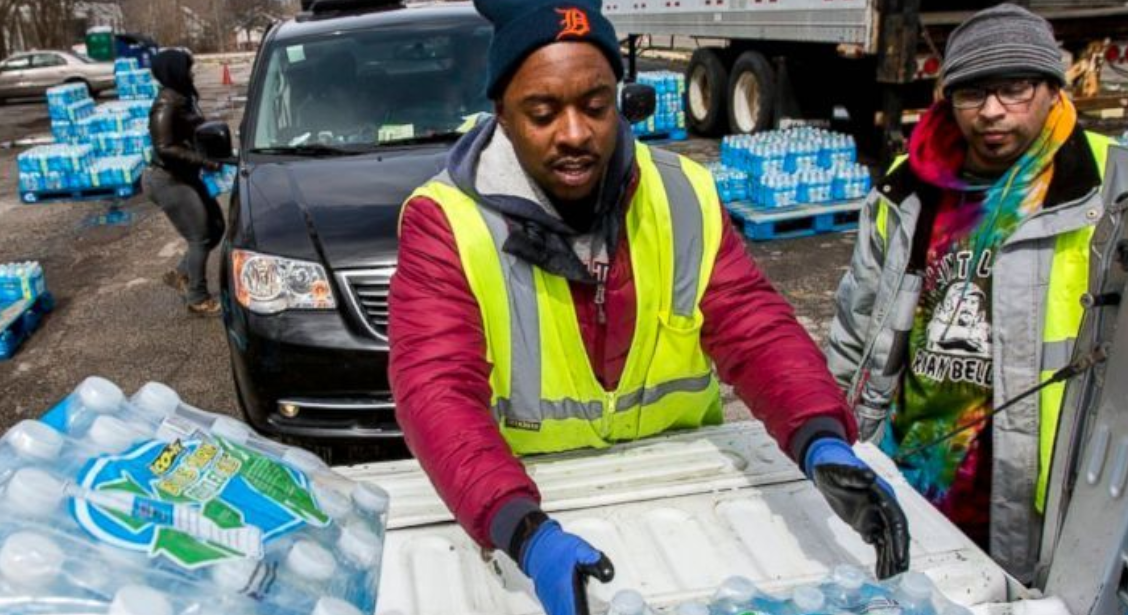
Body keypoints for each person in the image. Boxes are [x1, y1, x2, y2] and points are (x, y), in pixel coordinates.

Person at [389, 1, 910, 613]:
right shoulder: (445, 221)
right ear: (502, 113)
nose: (575, 133)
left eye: (595, 106)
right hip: (533, 505)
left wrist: (820, 439)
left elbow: (753, 327)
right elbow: (436, 388)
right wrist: (522, 529)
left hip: (694, 499)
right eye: (543, 113)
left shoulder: (682, 191)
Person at [826, 3, 1117, 584]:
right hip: (911, 478)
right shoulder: (907, 188)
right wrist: (835, 441)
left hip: (1041, 500)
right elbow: (855, 329)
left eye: (1015, 88)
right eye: (972, 92)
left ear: (1053, 88)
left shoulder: (1108, 188)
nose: (991, 111)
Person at [143, 48, 225, 316]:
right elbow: (165, 147)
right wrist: (205, 161)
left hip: (186, 175)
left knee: (216, 227)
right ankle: (198, 298)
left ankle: (181, 273)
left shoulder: (183, 97)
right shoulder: (165, 104)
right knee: (200, 236)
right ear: (175, 71)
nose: (192, 73)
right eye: (187, 68)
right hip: (168, 180)